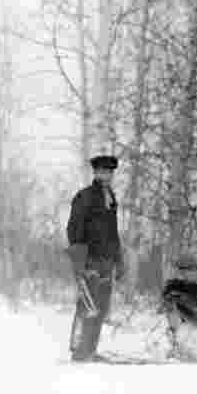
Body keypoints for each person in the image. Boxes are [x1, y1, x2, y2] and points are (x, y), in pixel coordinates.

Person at [66, 155, 126, 362]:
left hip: (107, 261)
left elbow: (113, 233)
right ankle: (79, 351)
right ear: (95, 172)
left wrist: (119, 261)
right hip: (90, 259)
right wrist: (80, 262)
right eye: (102, 171)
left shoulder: (111, 198)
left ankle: (90, 350)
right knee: (86, 306)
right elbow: (74, 229)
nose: (106, 175)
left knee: (100, 308)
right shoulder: (85, 196)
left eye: (109, 172)